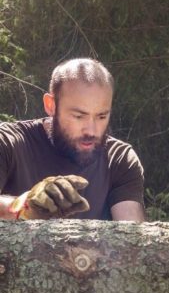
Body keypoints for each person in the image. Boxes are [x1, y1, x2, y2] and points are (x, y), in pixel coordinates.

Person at [0, 58, 145, 222]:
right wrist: (24, 207)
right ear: (51, 105)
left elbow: (132, 237)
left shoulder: (119, 159)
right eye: (78, 116)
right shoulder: (8, 141)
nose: (91, 130)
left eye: (101, 116)